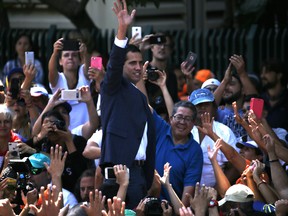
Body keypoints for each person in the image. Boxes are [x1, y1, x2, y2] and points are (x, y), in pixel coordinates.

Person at [100, 0, 156, 209]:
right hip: (118, 176)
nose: (138, 67)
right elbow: (113, 64)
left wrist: (147, 178)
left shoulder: (139, 96)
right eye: (132, 63)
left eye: (140, 63)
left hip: (140, 176)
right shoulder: (112, 87)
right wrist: (122, 29)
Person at [189, 88, 238, 187]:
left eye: (206, 104)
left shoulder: (224, 131)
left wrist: (218, 191)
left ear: (214, 107)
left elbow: (234, 166)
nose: (202, 107)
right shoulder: (184, 129)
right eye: (198, 104)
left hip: (218, 194)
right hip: (185, 191)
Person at [48, 34, 91, 130]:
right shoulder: (58, 78)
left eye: (74, 55)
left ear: (80, 61)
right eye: (66, 55)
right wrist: (55, 53)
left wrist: (85, 53)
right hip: (61, 130)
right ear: (60, 61)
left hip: (84, 130)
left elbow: (89, 67)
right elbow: (51, 70)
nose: (70, 58)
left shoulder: (83, 75)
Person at [260, 59, 288, 131]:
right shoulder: (260, 99)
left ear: (279, 75)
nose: (262, 76)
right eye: (262, 72)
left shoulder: (286, 98)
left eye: (267, 72)